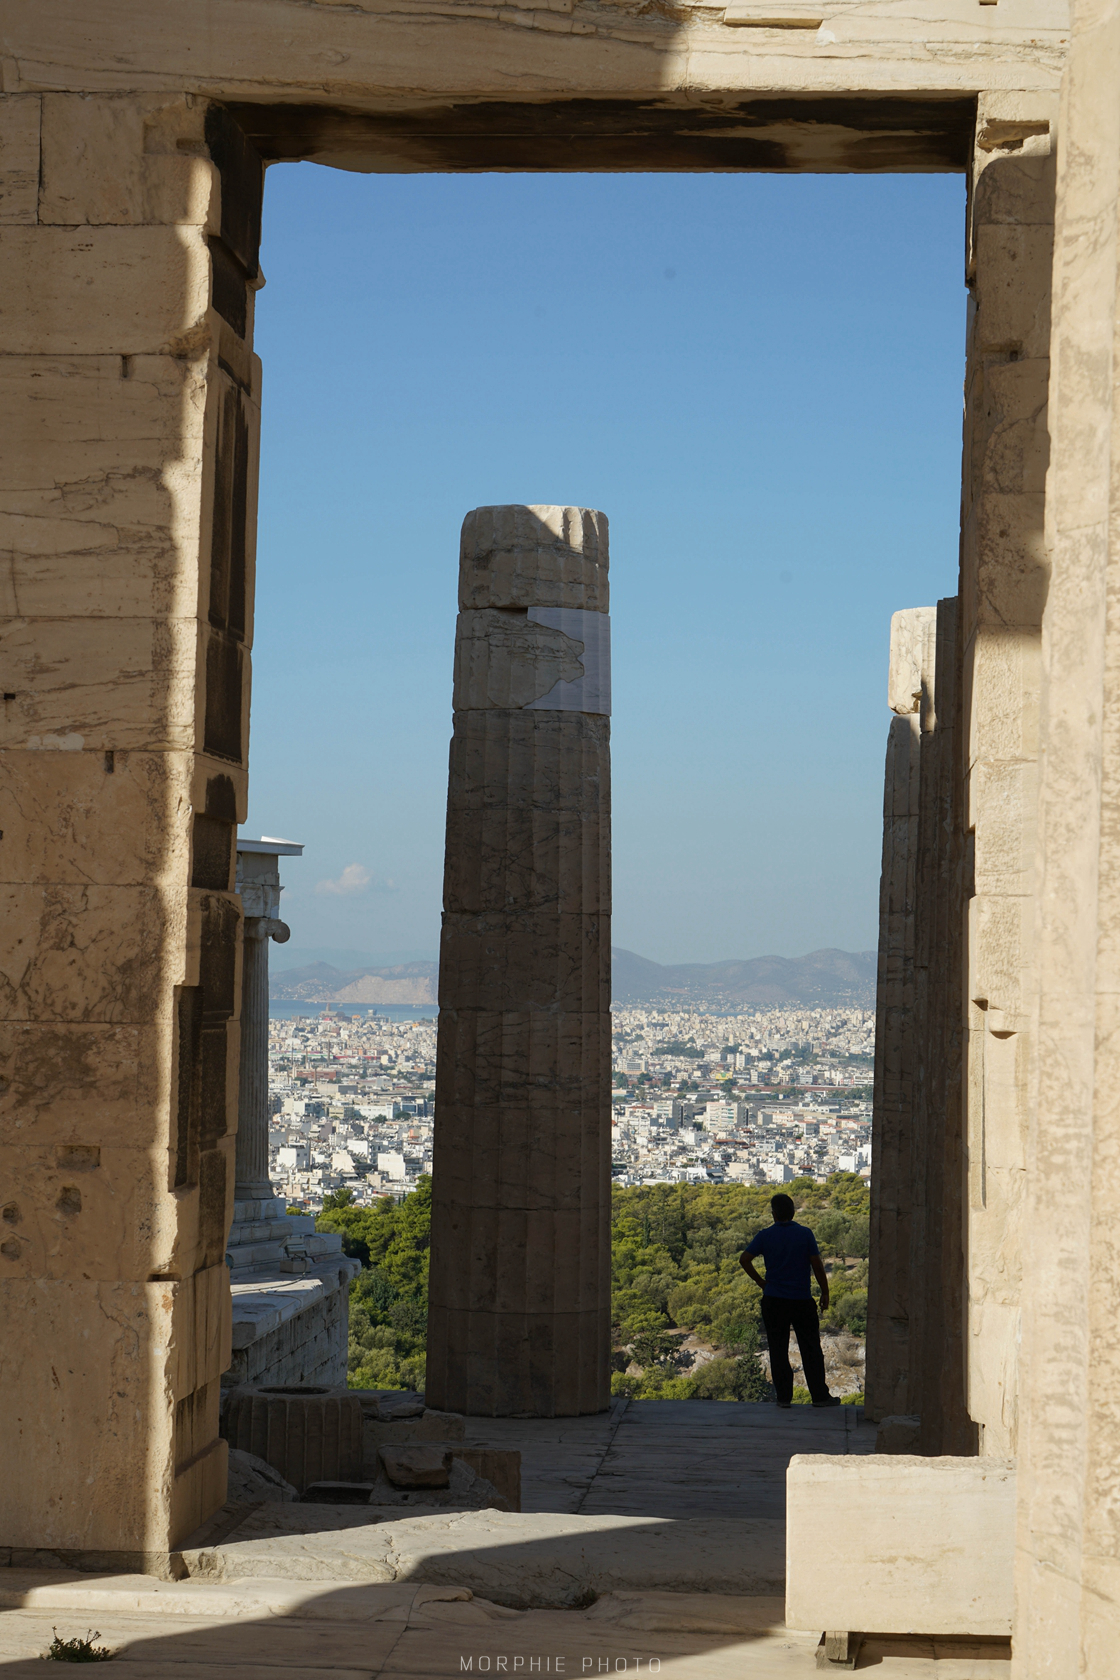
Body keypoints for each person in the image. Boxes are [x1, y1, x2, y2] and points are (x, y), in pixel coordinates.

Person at [739, 1193, 840, 1408]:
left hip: (774, 1299)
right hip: (801, 1300)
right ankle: (820, 1397)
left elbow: (745, 1259)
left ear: (773, 1214)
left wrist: (760, 1282)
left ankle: (784, 1398)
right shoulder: (804, 1234)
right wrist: (825, 1292)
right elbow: (817, 1265)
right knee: (811, 1348)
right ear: (793, 1212)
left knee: (777, 1349)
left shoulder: (765, 1235)